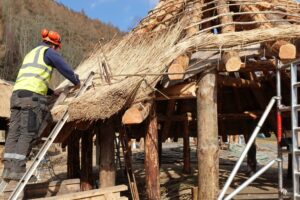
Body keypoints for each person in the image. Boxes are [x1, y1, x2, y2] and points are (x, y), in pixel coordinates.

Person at [2, 29, 80, 181]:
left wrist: (51, 92)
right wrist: (76, 81)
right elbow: (63, 67)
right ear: (54, 46)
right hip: (31, 98)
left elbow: (32, 77)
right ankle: (18, 170)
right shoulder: (49, 52)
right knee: (28, 132)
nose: (57, 51)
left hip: (17, 95)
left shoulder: (31, 54)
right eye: (58, 48)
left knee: (14, 132)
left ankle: (8, 169)